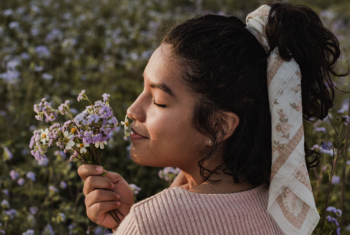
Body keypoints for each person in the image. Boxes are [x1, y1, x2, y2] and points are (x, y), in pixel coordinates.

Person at [77, 2, 348, 234]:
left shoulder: (150, 224)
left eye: (159, 101)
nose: (133, 110)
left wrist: (135, 225)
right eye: (143, 88)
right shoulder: (282, 210)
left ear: (219, 126)